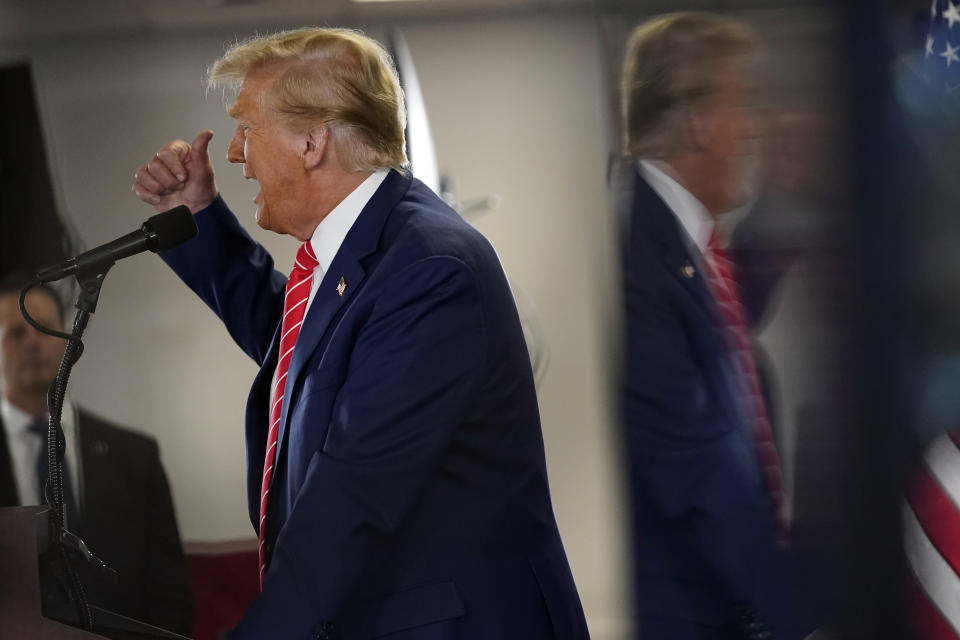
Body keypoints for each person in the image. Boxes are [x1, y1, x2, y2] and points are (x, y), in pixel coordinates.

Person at [132, 27, 587, 640]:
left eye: (248, 125)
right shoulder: (374, 246)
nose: (235, 151)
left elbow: (349, 500)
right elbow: (299, 348)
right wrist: (195, 220)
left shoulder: (430, 268)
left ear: (312, 142)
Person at [615, 13, 808, 639]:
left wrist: (787, 189)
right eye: (742, 105)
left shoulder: (687, 239)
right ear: (696, 121)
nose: (751, 128)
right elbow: (699, 471)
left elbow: (730, 315)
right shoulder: (632, 251)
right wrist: (789, 620)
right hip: (695, 612)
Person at [0, 277, 194, 634]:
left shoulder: (135, 455)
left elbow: (169, 588)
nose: (33, 342)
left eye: (44, 329)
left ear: (67, 341)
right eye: (15, 333)